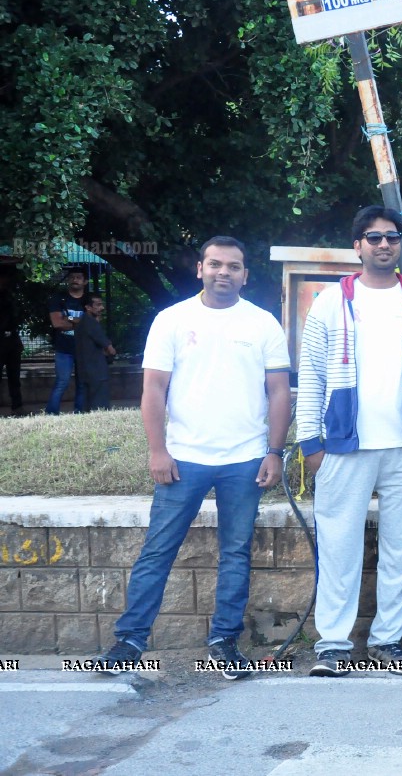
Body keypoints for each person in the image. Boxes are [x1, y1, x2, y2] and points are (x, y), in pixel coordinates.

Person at [96, 237, 291, 677]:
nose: (225, 272)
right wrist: (157, 450)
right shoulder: (172, 319)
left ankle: (224, 642)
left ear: (245, 274)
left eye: (234, 266)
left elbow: (279, 391)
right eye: (216, 264)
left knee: (236, 552)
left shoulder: (263, 324)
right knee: (158, 551)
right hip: (183, 458)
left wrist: (274, 452)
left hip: (245, 459)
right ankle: (129, 642)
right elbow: (153, 389)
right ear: (199, 268)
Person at [298, 206, 402, 676]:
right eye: (373, 237)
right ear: (357, 246)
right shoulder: (329, 303)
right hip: (345, 447)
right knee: (338, 547)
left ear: (400, 244)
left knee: (401, 551)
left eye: (391, 236)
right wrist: (311, 444)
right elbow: (312, 375)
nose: (383, 244)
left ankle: (387, 642)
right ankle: (334, 645)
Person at [45, 266, 88, 414]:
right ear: (68, 280)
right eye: (72, 277)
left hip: (84, 349)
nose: (75, 280)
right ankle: (51, 413)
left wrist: (68, 319)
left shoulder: (89, 300)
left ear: (85, 281)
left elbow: (94, 324)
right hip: (63, 349)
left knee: (82, 383)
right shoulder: (58, 299)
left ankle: (80, 413)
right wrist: (81, 323)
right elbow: (57, 323)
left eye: (79, 277)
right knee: (62, 382)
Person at [75, 292, 116, 412]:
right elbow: (109, 348)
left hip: (84, 368)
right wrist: (111, 353)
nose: (101, 308)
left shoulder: (82, 322)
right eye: (98, 305)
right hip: (97, 369)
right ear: (88, 307)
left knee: (87, 404)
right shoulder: (92, 323)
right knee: (100, 406)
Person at [0, 269, 23, 414]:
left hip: (12, 341)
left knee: (14, 376)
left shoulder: (9, 296)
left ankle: (17, 406)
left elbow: (14, 320)